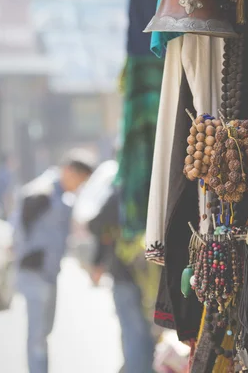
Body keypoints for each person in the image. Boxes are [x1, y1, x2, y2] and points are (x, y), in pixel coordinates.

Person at [13, 150, 95, 373]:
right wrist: (28, 257)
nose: (79, 186)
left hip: (49, 273)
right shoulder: (41, 192)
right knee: (38, 335)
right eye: (80, 180)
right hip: (35, 272)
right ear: (69, 171)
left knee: (44, 332)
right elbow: (18, 230)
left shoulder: (62, 197)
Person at [88, 188, 156, 373]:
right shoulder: (154, 190)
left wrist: (98, 261)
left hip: (125, 275)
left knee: (133, 334)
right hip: (152, 278)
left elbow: (95, 224)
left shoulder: (122, 193)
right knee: (146, 333)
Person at [0, 153, 17, 219]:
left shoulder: (0, 172)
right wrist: (9, 214)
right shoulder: (6, 175)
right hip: (1, 210)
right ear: (9, 160)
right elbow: (6, 195)